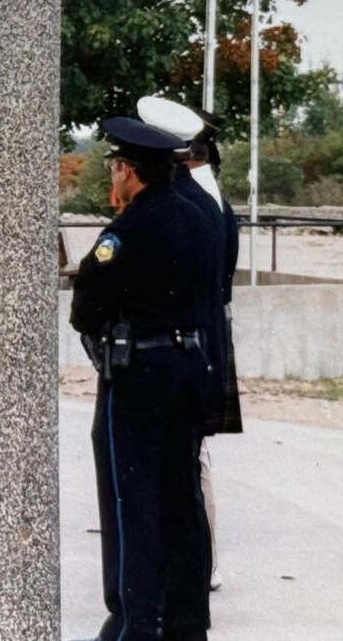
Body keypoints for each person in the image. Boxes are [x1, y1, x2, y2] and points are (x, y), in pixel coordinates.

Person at [70, 117, 221, 641]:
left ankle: (136, 624)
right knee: (183, 498)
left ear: (129, 171)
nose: (114, 176)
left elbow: (87, 304)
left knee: (132, 500)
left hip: (141, 373)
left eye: (115, 167)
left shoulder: (129, 229)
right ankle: (187, 623)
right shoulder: (200, 215)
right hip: (191, 364)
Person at [137, 95, 242, 595]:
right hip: (200, 340)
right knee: (189, 457)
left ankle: (202, 563)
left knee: (189, 460)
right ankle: (198, 562)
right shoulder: (205, 195)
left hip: (190, 344)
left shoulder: (193, 203)